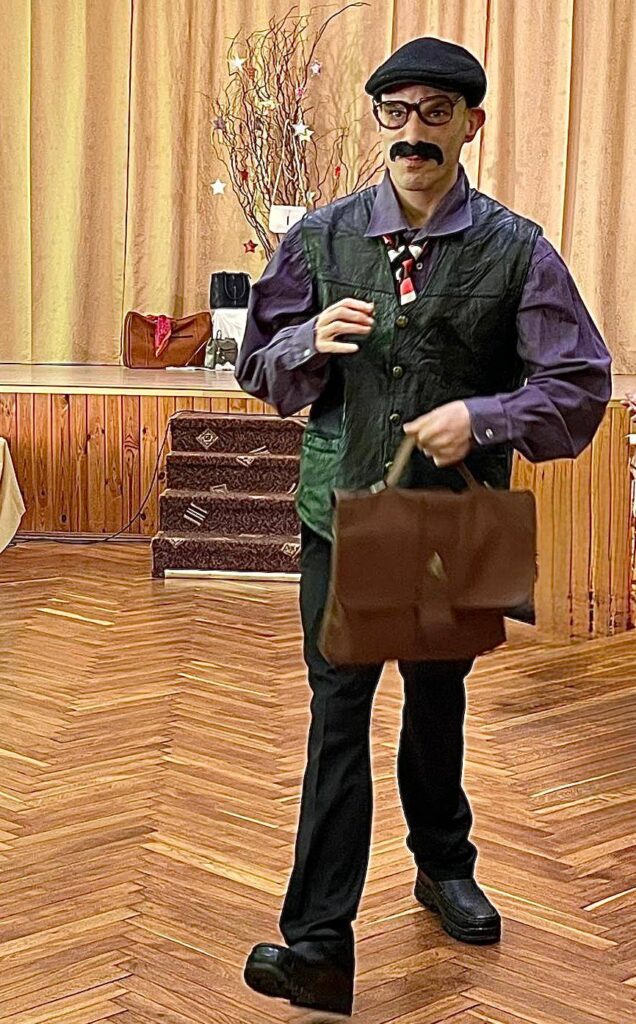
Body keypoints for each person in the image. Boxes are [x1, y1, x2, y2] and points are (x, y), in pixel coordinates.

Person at [236, 35, 613, 1017]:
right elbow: (258, 369)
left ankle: (444, 866)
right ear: (380, 123)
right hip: (343, 516)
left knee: (438, 697)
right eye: (395, 114)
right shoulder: (320, 238)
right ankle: (318, 942)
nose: (413, 133)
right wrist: (306, 341)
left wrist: (484, 418)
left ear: (470, 124)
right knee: (339, 713)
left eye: (435, 115)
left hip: (453, 520)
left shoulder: (519, 249)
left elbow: (580, 386)